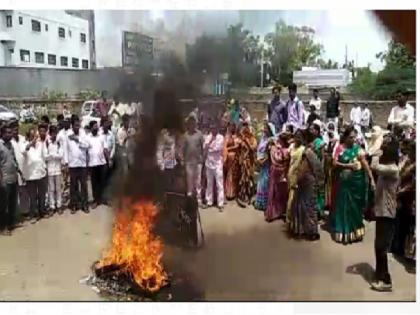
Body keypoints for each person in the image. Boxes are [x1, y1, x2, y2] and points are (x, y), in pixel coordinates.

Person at [330, 127, 375, 244]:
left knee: (355, 208)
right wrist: (347, 166)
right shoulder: (340, 148)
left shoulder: (358, 149)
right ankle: (343, 233)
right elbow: (334, 163)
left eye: (354, 137)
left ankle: (355, 233)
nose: (353, 139)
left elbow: (365, 165)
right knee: (343, 207)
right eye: (351, 137)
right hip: (343, 185)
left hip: (356, 185)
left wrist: (371, 179)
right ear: (345, 137)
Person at [370, 135, 400, 292]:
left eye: (387, 146)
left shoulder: (392, 169)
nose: (384, 148)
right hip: (381, 211)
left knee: (381, 246)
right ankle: (380, 272)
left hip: (387, 213)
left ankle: (385, 280)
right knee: (378, 245)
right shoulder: (387, 166)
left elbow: (373, 164)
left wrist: (378, 144)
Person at [289, 130, 323, 240]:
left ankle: (309, 231)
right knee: (308, 205)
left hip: (306, 182)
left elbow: (303, 169)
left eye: (300, 137)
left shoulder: (307, 152)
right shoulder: (310, 151)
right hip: (310, 181)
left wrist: (295, 181)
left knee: (306, 206)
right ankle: (308, 230)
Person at [22, 127, 48, 222]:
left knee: (42, 195)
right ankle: (33, 215)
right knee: (32, 197)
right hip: (30, 175)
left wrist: (44, 166)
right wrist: (32, 141)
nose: (34, 137)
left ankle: (42, 212)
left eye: (35, 136)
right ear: (28, 136)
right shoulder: (24, 144)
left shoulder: (40, 144)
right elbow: (24, 151)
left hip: (41, 173)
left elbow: (44, 156)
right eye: (32, 136)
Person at [67, 118, 90, 213]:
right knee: (73, 186)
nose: (77, 127)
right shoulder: (67, 134)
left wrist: (77, 139)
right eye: (75, 125)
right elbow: (65, 148)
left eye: (78, 125)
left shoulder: (83, 133)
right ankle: (74, 205)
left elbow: (87, 145)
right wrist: (65, 162)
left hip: (82, 164)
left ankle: (85, 205)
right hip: (72, 164)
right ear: (72, 125)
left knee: (84, 186)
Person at [266, 133, 290, 222]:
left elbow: (277, 159)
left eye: (279, 140)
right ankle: (277, 211)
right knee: (278, 192)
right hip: (280, 172)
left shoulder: (281, 150)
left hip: (278, 172)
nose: (278, 141)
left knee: (277, 192)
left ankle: (275, 212)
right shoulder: (283, 150)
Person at [0, 124, 19, 235]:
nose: (10, 134)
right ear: (2, 133)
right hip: (4, 180)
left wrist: (19, 172)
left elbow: (13, 160)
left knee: (12, 203)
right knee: (3, 205)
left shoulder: (10, 144)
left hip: (13, 178)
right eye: (8, 132)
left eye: (11, 132)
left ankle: (11, 224)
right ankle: (3, 228)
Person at [203, 123, 225, 211]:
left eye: (215, 128)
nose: (213, 130)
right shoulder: (208, 137)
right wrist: (210, 143)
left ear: (217, 128)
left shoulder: (221, 137)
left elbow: (217, 148)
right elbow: (205, 147)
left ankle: (220, 204)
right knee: (209, 183)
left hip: (217, 164)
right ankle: (209, 202)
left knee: (219, 184)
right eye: (212, 128)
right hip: (209, 163)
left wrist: (210, 145)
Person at [286, 130, 306, 224]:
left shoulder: (303, 149)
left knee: (295, 198)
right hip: (290, 173)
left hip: (299, 174)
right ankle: (290, 221)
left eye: (299, 136)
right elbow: (287, 160)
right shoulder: (291, 147)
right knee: (290, 196)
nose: (297, 138)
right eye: (296, 136)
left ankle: (296, 221)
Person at [254, 122, 275, 211]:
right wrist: (257, 159)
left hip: (266, 164)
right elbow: (259, 150)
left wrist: (262, 161)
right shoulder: (263, 138)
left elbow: (269, 154)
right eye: (264, 128)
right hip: (261, 163)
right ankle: (259, 203)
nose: (264, 130)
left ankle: (265, 204)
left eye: (266, 128)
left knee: (265, 183)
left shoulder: (271, 140)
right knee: (260, 183)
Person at [183, 114, 204, 203]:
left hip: (198, 161)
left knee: (198, 181)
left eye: (193, 122)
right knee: (189, 180)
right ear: (188, 124)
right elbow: (182, 149)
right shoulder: (185, 135)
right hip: (188, 162)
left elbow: (203, 147)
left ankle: (198, 198)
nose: (192, 124)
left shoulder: (199, 134)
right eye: (190, 122)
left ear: (195, 123)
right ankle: (189, 198)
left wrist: (203, 159)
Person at [10, 120, 29, 219]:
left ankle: (25, 211)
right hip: (15, 170)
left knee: (25, 191)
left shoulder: (23, 138)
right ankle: (17, 212)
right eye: (13, 130)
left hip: (25, 168)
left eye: (17, 129)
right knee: (17, 192)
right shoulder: (9, 141)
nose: (15, 131)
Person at [237, 122, 257, 207]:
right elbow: (239, 149)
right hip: (243, 163)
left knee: (250, 179)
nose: (245, 132)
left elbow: (253, 149)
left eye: (246, 130)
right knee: (243, 180)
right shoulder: (241, 139)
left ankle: (250, 196)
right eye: (244, 130)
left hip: (250, 163)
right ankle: (243, 196)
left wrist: (247, 142)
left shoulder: (253, 139)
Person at [88, 120, 108, 209]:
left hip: (102, 162)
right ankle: (96, 200)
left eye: (97, 126)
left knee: (103, 182)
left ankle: (104, 199)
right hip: (92, 163)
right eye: (95, 126)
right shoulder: (87, 137)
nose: (96, 128)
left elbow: (105, 148)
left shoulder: (102, 137)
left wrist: (109, 159)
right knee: (94, 183)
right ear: (91, 128)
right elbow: (85, 151)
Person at [45, 125, 64, 214]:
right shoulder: (47, 143)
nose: (54, 135)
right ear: (50, 133)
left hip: (58, 169)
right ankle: (52, 206)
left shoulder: (59, 143)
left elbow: (61, 155)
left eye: (55, 133)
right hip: (50, 169)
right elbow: (45, 156)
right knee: (51, 189)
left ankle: (59, 205)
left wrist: (52, 155)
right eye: (53, 133)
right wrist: (53, 155)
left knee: (58, 188)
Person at [310, 123, 326, 218]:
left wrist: (321, 169)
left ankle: (319, 211)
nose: (310, 131)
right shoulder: (310, 141)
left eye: (312, 129)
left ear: (316, 131)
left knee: (319, 190)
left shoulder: (320, 142)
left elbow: (323, 157)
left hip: (318, 167)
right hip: (311, 168)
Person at [223, 122, 241, 200]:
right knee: (230, 174)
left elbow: (240, 147)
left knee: (235, 174)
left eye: (234, 126)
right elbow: (225, 148)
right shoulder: (227, 137)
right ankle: (230, 193)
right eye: (231, 127)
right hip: (229, 158)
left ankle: (235, 191)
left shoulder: (237, 136)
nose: (233, 128)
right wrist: (233, 148)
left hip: (236, 158)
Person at [100, 117, 116, 199]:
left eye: (108, 123)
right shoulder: (99, 133)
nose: (107, 124)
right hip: (101, 159)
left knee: (109, 177)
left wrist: (111, 157)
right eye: (105, 123)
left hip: (110, 157)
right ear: (102, 124)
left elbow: (113, 146)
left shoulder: (111, 134)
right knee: (102, 177)